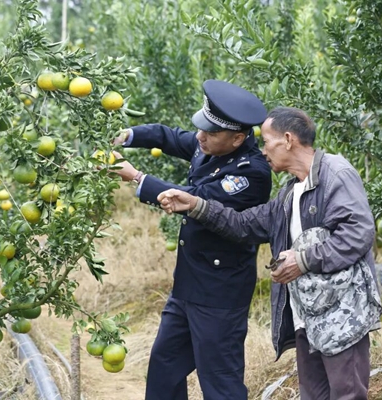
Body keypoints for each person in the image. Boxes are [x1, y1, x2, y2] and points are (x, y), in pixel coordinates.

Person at [157, 107, 382, 400]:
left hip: (342, 316)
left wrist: (303, 260)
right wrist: (196, 205)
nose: (263, 151)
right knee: (314, 395)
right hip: (308, 316)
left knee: (346, 394)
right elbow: (245, 224)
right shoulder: (290, 192)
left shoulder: (335, 173)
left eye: (266, 142)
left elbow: (358, 232)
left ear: (288, 140)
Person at [111, 79, 272, 399]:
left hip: (219, 295)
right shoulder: (210, 144)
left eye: (210, 133)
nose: (200, 137)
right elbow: (168, 136)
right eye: (201, 128)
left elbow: (196, 197)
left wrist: (137, 177)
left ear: (237, 138)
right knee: (164, 369)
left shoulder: (250, 173)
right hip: (187, 285)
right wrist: (127, 135)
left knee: (219, 383)